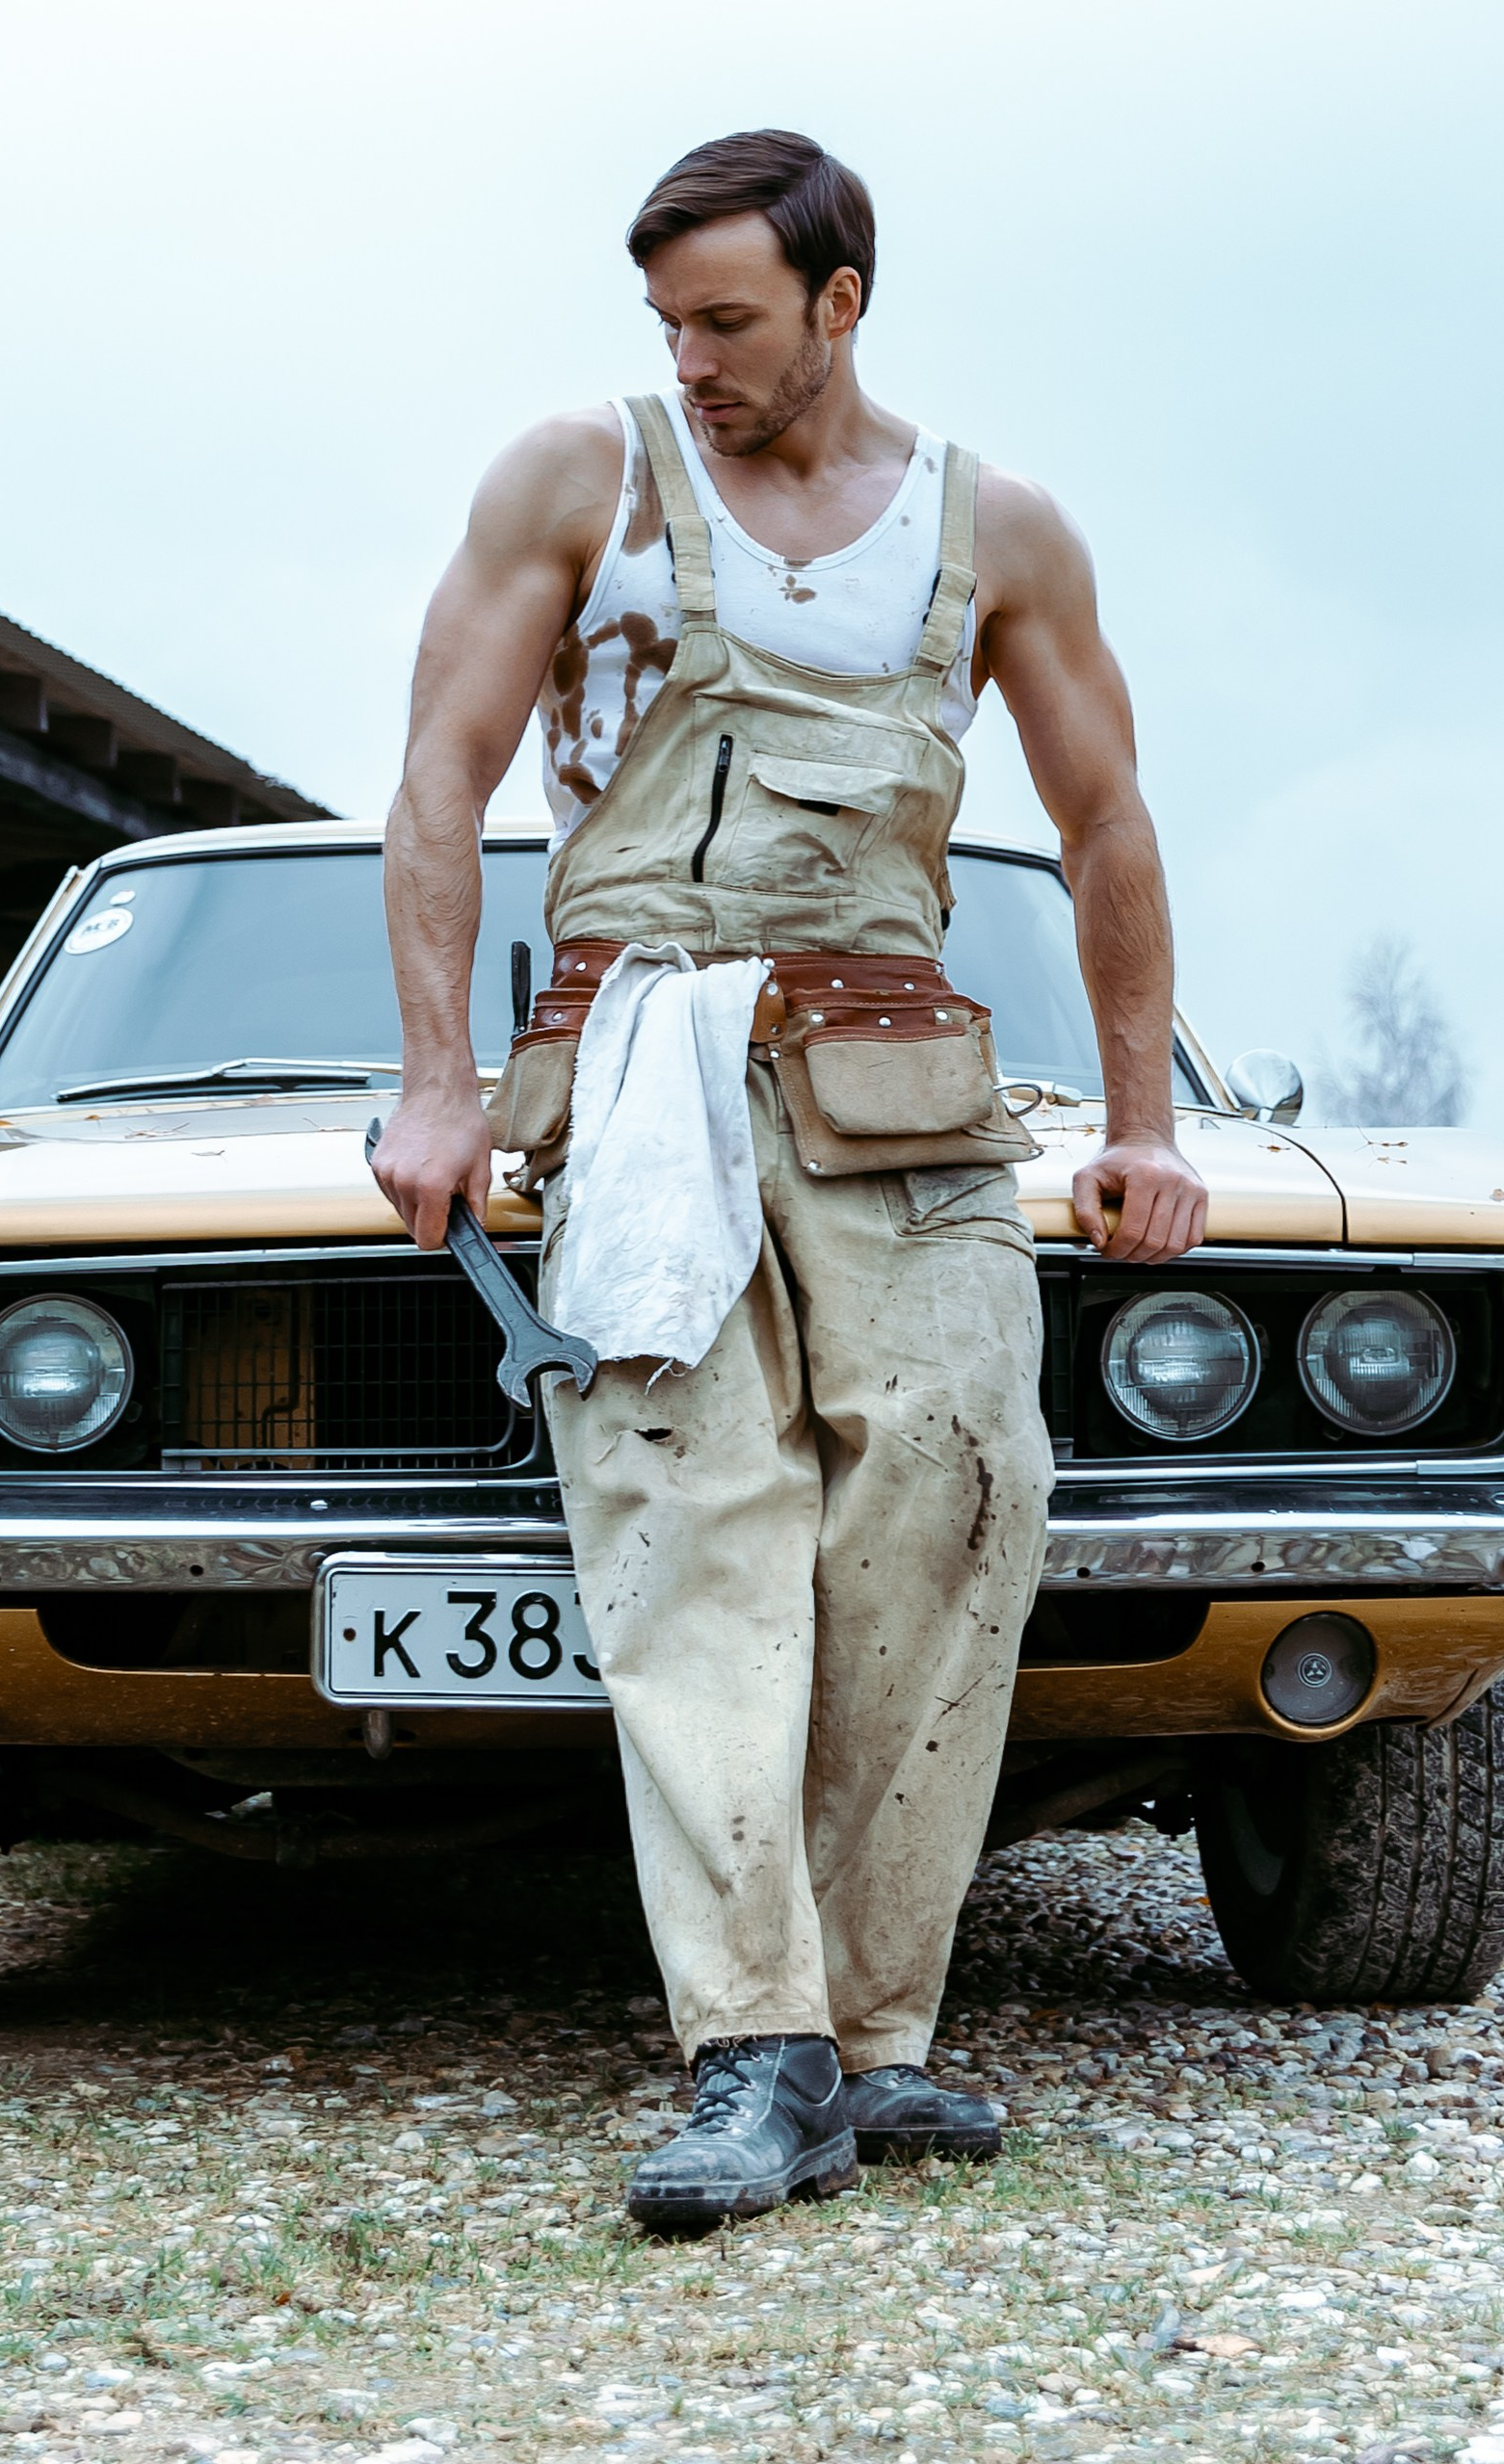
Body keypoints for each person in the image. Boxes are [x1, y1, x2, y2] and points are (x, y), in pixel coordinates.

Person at [372, 129, 1204, 2231]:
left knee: (950, 1493)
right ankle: (751, 2050)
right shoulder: (576, 482)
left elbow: (1105, 827)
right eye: (667, 318)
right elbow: (441, 782)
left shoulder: (991, 529)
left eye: (728, 317)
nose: (694, 355)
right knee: (691, 1536)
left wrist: (1142, 1124)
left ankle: (877, 2044)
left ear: (842, 302)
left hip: (897, 1076)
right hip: (638, 1065)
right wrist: (438, 1086)